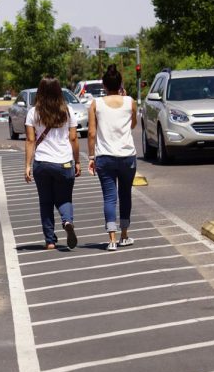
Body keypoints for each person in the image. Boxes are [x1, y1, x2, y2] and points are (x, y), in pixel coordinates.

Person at [24, 76, 81, 250]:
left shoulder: (33, 112)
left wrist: (27, 165)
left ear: (40, 92)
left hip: (42, 162)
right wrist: (77, 161)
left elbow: (30, 140)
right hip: (64, 161)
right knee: (64, 198)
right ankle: (67, 222)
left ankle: (50, 240)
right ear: (59, 91)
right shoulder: (68, 111)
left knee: (46, 201)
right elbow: (73, 138)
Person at [87, 64, 138, 251]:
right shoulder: (130, 102)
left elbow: (92, 133)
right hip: (127, 156)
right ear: (120, 84)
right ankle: (124, 235)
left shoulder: (95, 104)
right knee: (125, 195)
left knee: (109, 197)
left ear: (104, 85)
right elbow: (133, 125)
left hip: (105, 156)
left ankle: (112, 239)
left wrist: (91, 157)